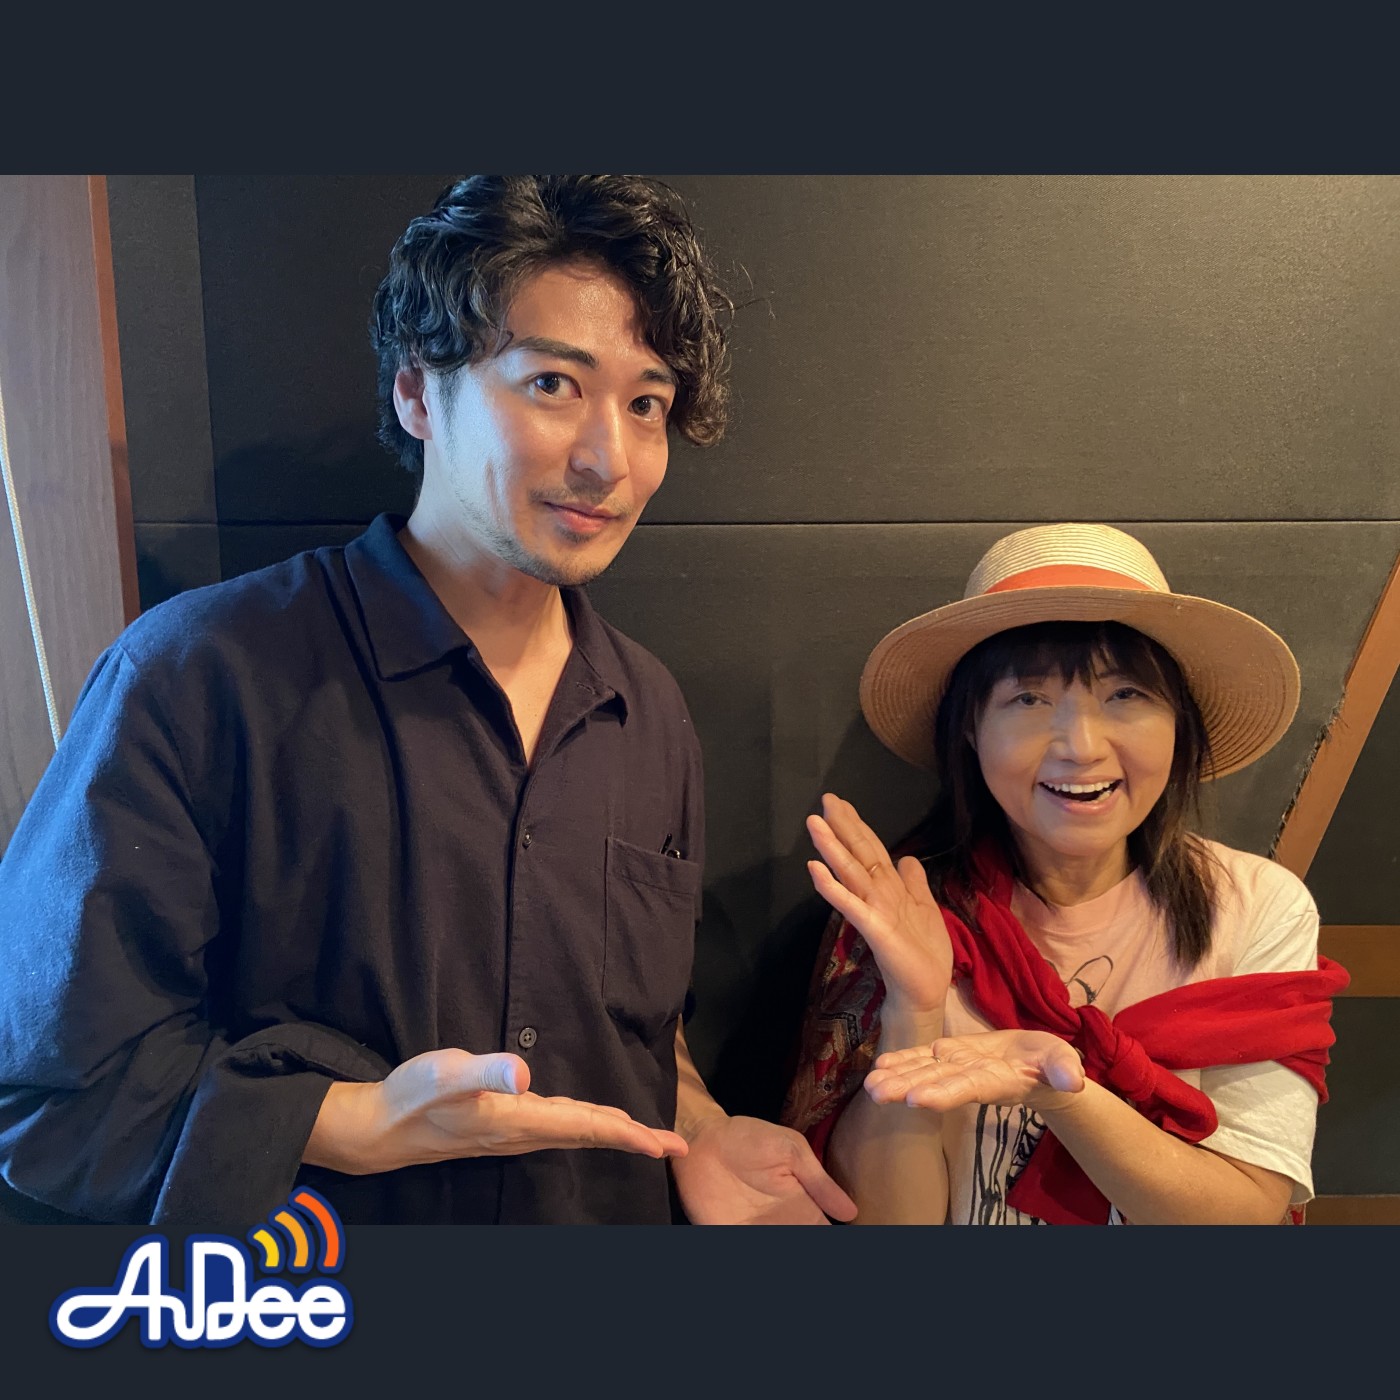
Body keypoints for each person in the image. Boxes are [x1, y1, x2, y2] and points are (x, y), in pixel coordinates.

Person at [0, 175, 856, 1229]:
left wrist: (701, 1123)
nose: (609, 459)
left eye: (646, 404)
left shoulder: (648, 713)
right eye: (552, 383)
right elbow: (54, 1088)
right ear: (417, 392)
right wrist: (345, 1121)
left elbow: (639, 1025)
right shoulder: (200, 674)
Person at [782, 522, 1348, 1225]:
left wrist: (1060, 1093)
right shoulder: (905, 912)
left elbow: (1245, 1215)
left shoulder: (1256, 906)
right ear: (970, 729)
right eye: (1028, 699)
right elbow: (890, 1229)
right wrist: (914, 1007)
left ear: (1179, 723)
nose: (1080, 747)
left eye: (1126, 695)